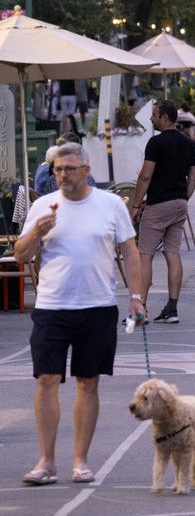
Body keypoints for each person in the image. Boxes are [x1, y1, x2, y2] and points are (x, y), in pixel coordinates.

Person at [16, 143, 143, 486]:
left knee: (88, 382)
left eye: (70, 169)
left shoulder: (111, 204)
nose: (63, 176)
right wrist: (36, 232)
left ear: (87, 171)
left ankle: (80, 461)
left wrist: (136, 296)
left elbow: (130, 252)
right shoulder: (43, 206)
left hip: (97, 305)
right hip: (52, 306)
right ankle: (46, 461)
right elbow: (21, 255)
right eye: (58, 169)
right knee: (46, 380)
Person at [131, 101, 195, 325]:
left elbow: (145, 176)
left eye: (154, 115)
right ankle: (172, 308)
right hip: (179, 203)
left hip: (158, 204)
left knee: (145, 255)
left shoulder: (155, 143)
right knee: (173, 253)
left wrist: (136, 205)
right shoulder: (190, 144)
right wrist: (183, 197)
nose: (151, 118)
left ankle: (140, 310)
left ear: (165, 118)